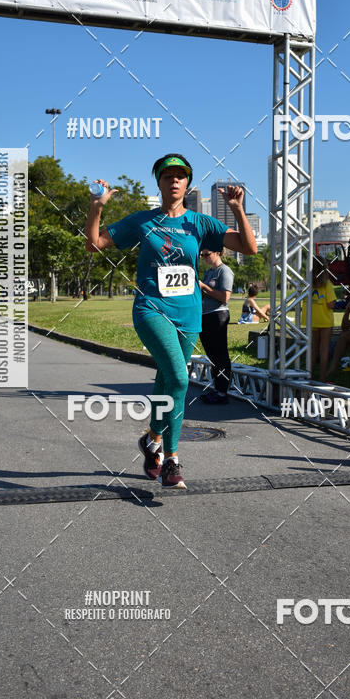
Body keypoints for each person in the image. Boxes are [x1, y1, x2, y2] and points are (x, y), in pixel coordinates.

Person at [84, 154, 256, 489]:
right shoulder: (143, 221)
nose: (174, 180)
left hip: (189, 315)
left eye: (181, 176)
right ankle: (172, 460)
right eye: (168, 176)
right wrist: (96, 206)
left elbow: (248, 248)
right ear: (159, 182)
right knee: (179, 378)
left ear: (188, 184)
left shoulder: (200, 223)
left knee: (166, 380)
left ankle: (151, 439)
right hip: (151, 309)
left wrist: (237, 208)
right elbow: (95, 244)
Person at [198, 249, 234, 405]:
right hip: (205, 315)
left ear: (218, 253)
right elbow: (206, 293)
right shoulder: (209, 272)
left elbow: (225, 297)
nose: (204, 257)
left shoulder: (224, 271)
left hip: (217, 315)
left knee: (220, 355)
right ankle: (216, 388)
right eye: (202, 255)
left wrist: (204, 287)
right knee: (212, 356)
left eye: (207, 254)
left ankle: (222, 392)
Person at [302, 258, 336, 382]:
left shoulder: (305, 284)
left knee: (313, 349)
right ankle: (322, 377)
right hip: (325, 321)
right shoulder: (327, 284)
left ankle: (309, 375)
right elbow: (330, 304)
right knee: (324, 349)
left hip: (311, 320)